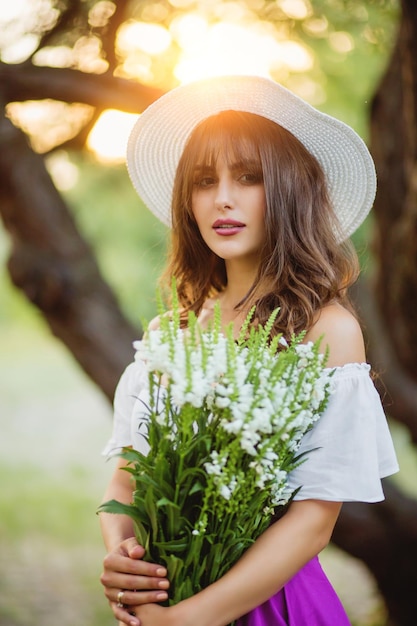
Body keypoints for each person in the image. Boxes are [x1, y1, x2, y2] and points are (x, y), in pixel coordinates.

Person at [98, 75, 399, 626]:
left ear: (290, 189)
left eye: (249, 177)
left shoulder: (325, 329)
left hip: (271, 605)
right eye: (204, 180)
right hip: (166, 601)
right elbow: (126, 479)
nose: (223, 199)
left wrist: (194, 619)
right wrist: (123, 557)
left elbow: (313, 521)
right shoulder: (172, 334)